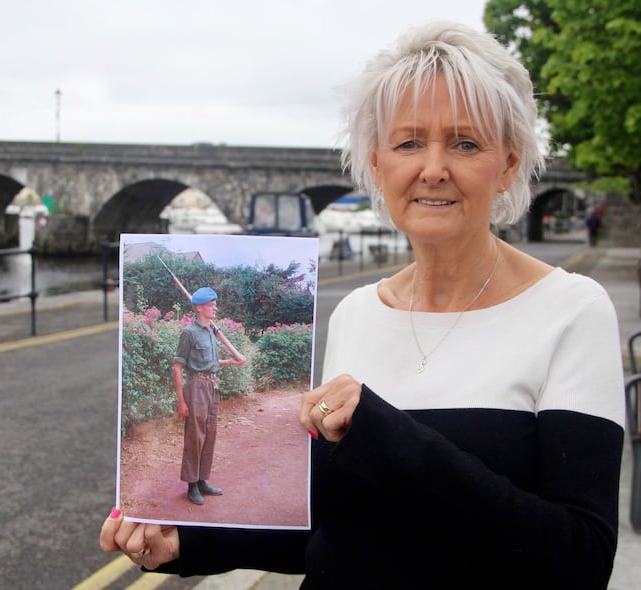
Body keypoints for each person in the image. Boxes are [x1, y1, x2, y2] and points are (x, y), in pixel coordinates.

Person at [101, 21, 625, 589]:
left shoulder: (571, 311)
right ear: (377, 163)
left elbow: (581, 560)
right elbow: (341, 527)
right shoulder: (357, 312)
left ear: (510, 163)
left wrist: (383, 432)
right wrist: (189, 541)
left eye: (465, 142)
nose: (432, 167)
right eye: (408, 143)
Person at [172, 286, 245, 505]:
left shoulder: (211, 332)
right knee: (195, 437)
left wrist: (231, 361)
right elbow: (177, 368)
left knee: (210, 434)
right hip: (196, 388)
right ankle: (191, 485)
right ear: (200, 307)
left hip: (213, 387)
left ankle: (202, 480)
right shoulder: (189, 333)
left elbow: (209, 363)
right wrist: (181, 401)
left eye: (215, 304)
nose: (215, 308)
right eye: (211, 305)